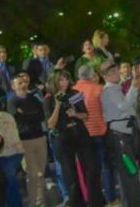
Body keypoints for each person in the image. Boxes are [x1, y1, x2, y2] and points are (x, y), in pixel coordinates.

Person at [44, 70, 104, 207]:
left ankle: (96, 202)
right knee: (70, 174)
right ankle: (77, 203)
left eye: (66, 79)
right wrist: (58, 105)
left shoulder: (75, 93)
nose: (64, 83)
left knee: (92, 167)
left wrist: (75, 114)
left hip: (80, 133)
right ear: (55, 82)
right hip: (62, 138)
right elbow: (50, 124)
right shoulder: (48, 99)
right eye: (60, 80)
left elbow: (85, 115)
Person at [100, 61, 140, 207]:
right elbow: (123, 106)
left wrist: (134, 88)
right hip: (119, 135)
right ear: (106, 75)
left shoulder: (115, 88)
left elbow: (128, 106)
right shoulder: (109, 90)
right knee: (128, 172)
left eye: (116, 69)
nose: (117, 72)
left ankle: (135, 202)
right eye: (113, 71)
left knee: (130, 171)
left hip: (124, 132)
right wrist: (133, 87)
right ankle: (134, 203)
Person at [74, 65, 118, 205]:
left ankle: (96, 199)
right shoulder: (99, 88)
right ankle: (111, 197)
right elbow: (107, 110)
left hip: (83, 134)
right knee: (107, 166)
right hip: (100, 130)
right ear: (92, 74)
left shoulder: (74, 91)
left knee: (91, 170)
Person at [7, 75, 48, 207]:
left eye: (24, 82)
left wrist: (25, 114)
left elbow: (41, 115)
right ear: (13, 87)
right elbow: (16, 118)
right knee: (32, 174)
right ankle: (33, 202)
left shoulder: (33, 99)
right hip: (25, 140)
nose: (23, 85)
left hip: (40, 138)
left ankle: (41, 201)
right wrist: (30, 115)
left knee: (41, 172)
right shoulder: (12, 101)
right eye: (19, 83)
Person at [0, 97, 24, 207]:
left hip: (3, 154)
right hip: (17, 152)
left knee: (8, 186)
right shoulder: (9, 115)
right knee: (12, 183)